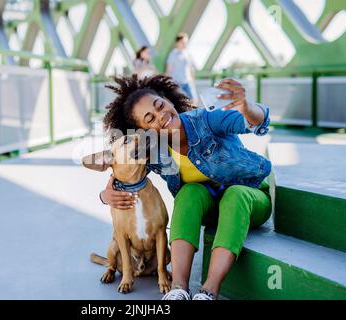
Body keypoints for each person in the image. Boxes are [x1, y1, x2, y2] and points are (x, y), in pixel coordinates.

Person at [99, 74, 272, 300]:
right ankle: (178, 289)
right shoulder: (156, 151)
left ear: (168, 100)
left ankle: (209, 291)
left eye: (160, 106)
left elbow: (256, 123)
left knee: (235, 194)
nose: (161, 116)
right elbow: (125, 171)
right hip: (211, 212)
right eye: (149, 119)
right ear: (145, 132)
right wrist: (106, 194)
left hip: (251, 199)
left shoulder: (206, 120)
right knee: (188, 192)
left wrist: (246, 107)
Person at [166, 32, 198, 104]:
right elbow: (169, 69)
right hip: (177, 82)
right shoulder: (173, 54)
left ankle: (194, 114)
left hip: (187, 81)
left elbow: (191, 68)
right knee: (179, 101)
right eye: (183, 42)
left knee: (194, 99)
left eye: (186, 42)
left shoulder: (188, 53)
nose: (185, 44)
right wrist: (168, 82)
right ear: (178, 42)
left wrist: (193, 81)